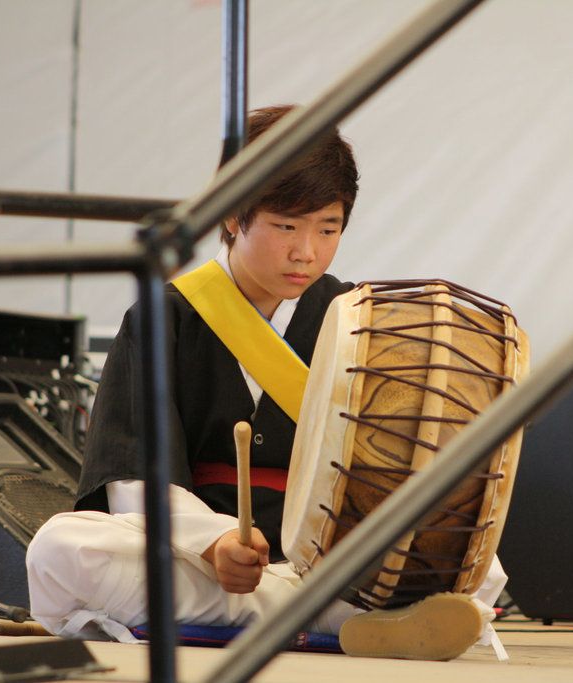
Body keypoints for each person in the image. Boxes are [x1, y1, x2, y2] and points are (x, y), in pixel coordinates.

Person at [25, 105, 506, 660]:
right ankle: (344, 619)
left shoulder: (358, 318)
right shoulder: (164, 319)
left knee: (476, 561)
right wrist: (214, 543)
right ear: (233, 215)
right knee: (61, 550)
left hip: (331, 557)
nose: (308, 251)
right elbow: (134, 480)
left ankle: (328, 606)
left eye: (328, 229)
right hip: (207, 564)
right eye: (286, 227)